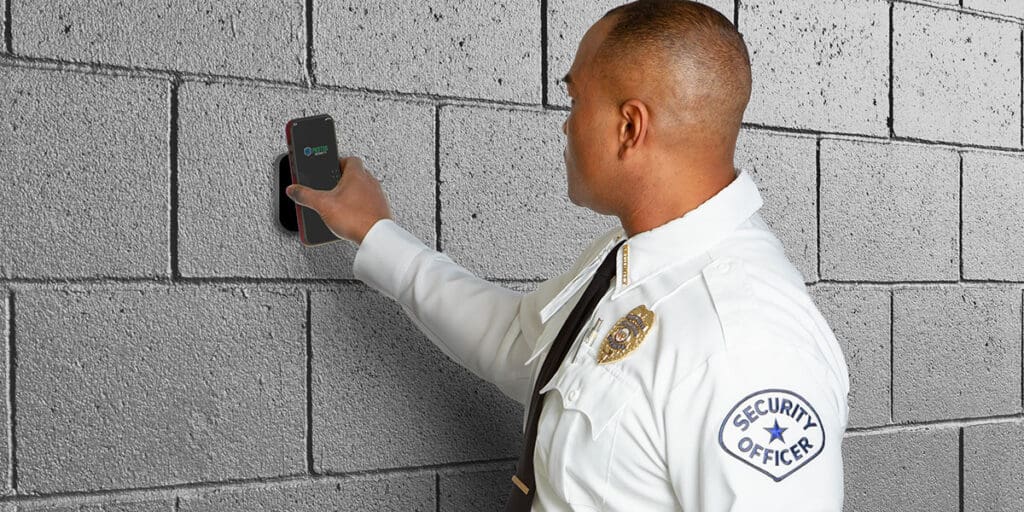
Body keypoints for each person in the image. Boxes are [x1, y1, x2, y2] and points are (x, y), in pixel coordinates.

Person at [285, 0, 850, 510]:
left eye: (576, 100)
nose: (566, 122)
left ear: (630, 127)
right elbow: (517, 342)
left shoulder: (746, 345)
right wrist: (376, 232)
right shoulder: (631, 261)